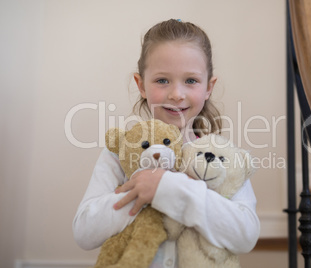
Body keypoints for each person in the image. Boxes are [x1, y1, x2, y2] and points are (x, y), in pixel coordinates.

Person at [72, 19, 260, 267]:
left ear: (208, 87)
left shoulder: (220, 158)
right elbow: (84, 231)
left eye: (191, 80)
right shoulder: (119, 154)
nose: (176, 94)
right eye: (162, 80)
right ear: (141, 85)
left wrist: (169, 188)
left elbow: (246, 235)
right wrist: (143, 191)